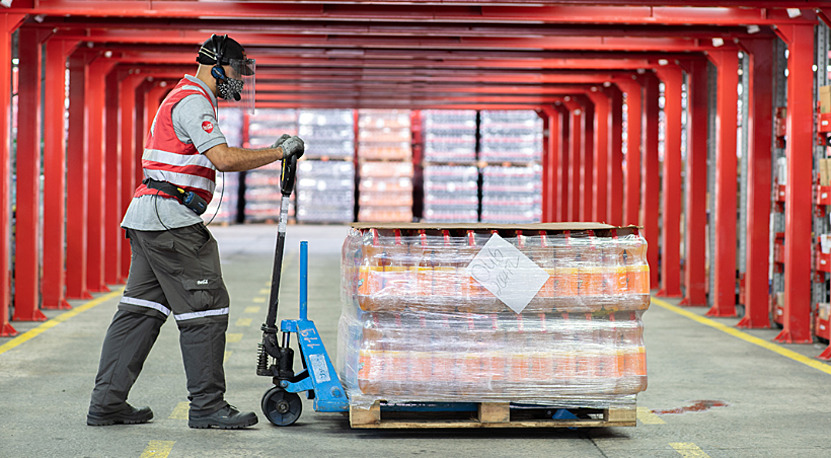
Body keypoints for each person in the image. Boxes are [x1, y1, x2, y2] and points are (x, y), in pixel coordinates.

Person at [87, 34, 304, 429]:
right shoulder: (193, 101)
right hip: (171, 222)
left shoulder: (182, 97)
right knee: (207, 306)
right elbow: (221, 158)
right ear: (217, 67)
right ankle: (207, 406)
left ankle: (107, 402)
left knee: (140, 312)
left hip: (148, 219)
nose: (239, 78)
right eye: (237, 70)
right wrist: (278, 152)